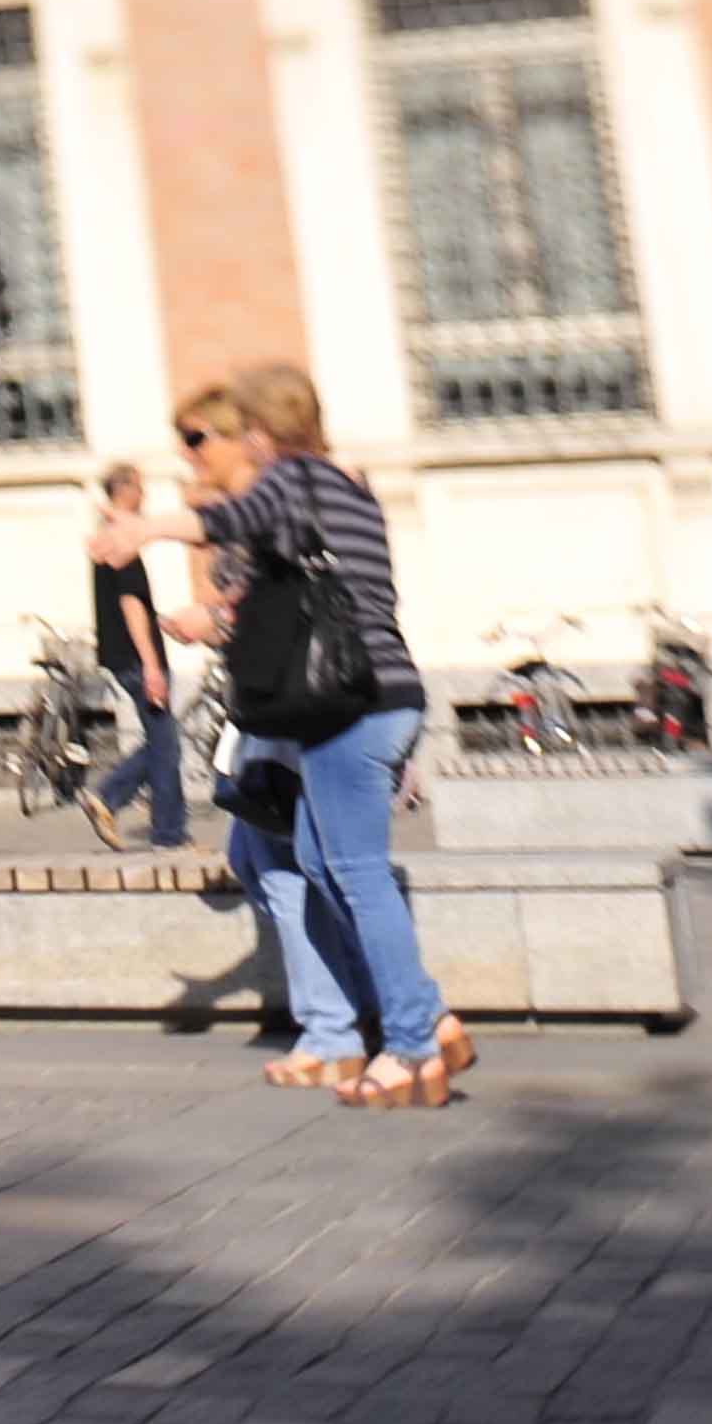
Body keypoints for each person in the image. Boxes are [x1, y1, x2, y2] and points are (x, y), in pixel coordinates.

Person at [103, 366, 462, 1111]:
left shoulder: (298, 478)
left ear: (260, 432)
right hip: (371, 701)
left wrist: (145, 528)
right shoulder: (341, 486)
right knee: (320, 866)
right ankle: (422, 1022)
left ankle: (414, 1046)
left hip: (350, 707)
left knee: (355, 874)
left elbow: (229, 520)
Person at [83, 460, 192, 854]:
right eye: (141, 486)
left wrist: (161, 620)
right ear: (125, 489)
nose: (145, 494)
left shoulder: (105, 539)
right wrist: (151, 666)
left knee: (163, 742)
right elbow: (130, 605)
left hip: (122, 655)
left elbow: (130, 605)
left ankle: (118, 802)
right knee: (166, 744)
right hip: (136, 658)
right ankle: (166, 832)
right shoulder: (123, 542)